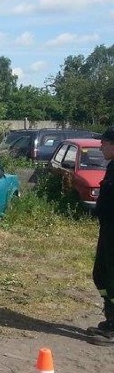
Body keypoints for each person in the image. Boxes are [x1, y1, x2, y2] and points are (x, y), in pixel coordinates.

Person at [88, 127, 114, 345]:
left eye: (104, 142)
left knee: (112, 279)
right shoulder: (112, 166)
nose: (100, 146)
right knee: (101, 276)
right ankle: (110, 320)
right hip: (107, 229)